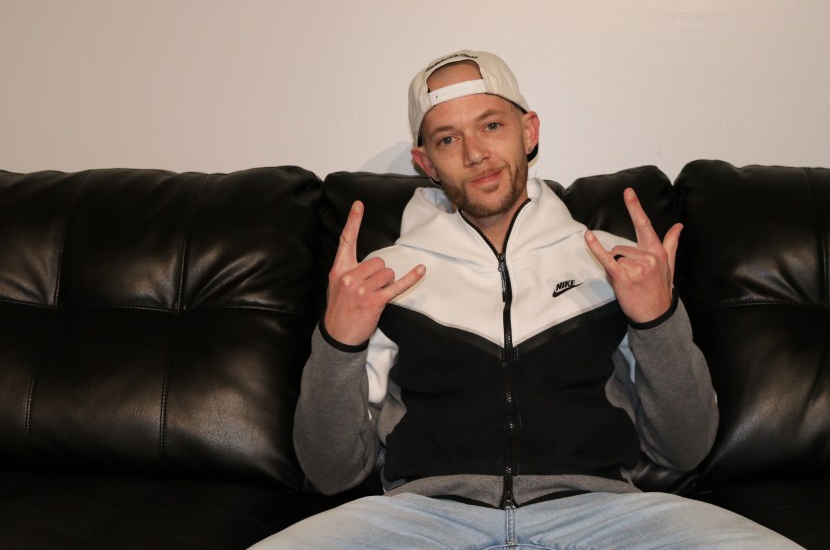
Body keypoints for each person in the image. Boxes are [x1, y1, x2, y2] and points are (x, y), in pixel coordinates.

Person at [252, 51, 801, 548]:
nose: (475, 153)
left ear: (529, 131)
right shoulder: (379, 278)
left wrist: (658, 319)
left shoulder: (616, 262)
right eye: (448, 139)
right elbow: (330, 473)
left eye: (491, 125)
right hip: (424, 519)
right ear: (426, 162)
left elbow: (685, 448)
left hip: (601, 515)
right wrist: (338, 339)